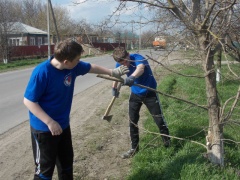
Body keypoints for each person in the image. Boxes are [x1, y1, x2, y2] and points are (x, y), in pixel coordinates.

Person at [23, 38, 129, 180]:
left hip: (63, 126)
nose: (80, 62)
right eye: (78, 59)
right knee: (44, 171)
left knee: (66, 166)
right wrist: (50, 122)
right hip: (44, 129)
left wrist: (112, 72)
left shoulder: (73, 66)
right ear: (66, 61)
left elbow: (91, 67)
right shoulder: (42, 72)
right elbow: (29, 101)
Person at [112, 47, 170, 159]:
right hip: (135, 94)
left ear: (128, 54)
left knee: (159, 119)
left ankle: (167, 144)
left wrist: (132, 77)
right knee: (132, 121)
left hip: (150, 92)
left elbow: (141, 69)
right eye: (121, 63)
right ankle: (134, 148)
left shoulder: (138, 58)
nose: (125, 64)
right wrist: (114, 88)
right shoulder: (120, 64)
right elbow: (116, 75)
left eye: (126, 61)